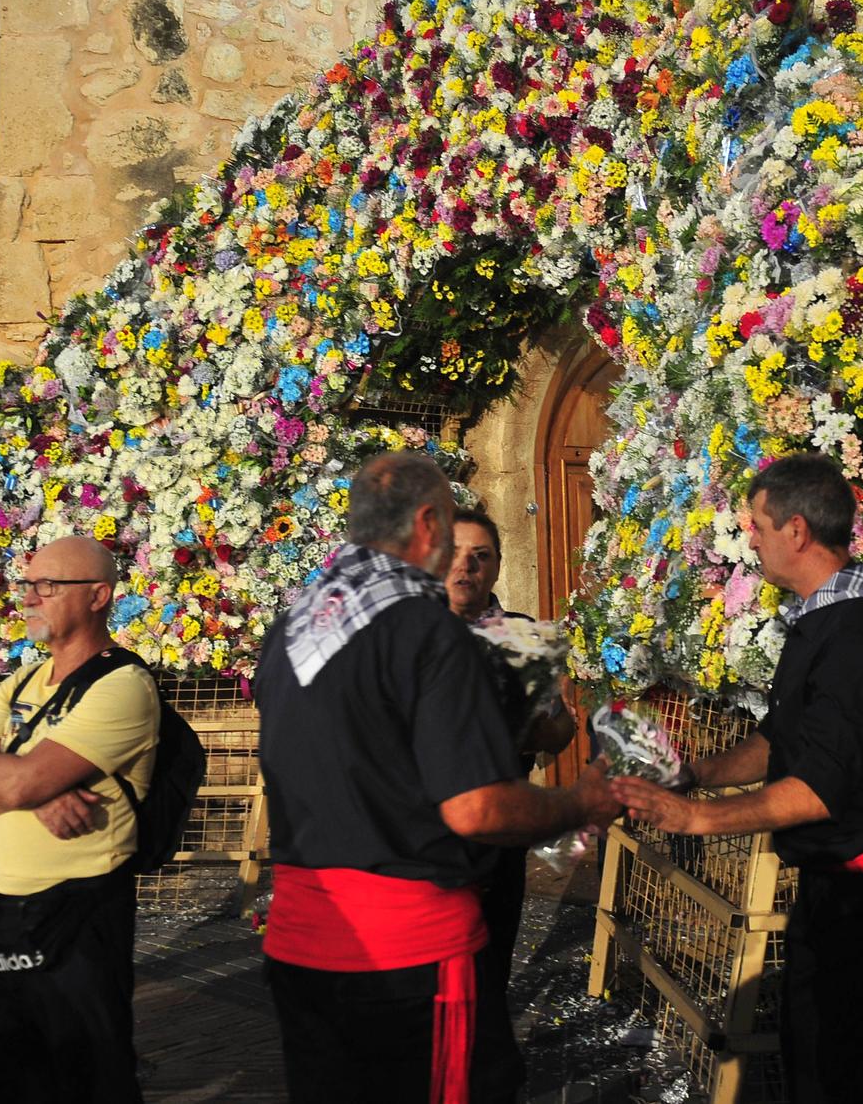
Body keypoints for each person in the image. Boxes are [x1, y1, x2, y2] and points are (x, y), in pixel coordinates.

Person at [254, 451, 622, 1104]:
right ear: (428, 522)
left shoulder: (297, 621)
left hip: (303, 933)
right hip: (407, 950)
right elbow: (475, 809)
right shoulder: (427, 629)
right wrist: (581, 800)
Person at [612, 453, 863, 1104]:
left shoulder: (855, 635)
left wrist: (699, 818)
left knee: (853, 1068)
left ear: (797, 530)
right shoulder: (822, 617)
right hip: (839, 874)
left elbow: (818, 785)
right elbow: (785, 739)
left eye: (757, 525)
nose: (751, 540)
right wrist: (696, 775)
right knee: (812, 1048)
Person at [0, 535, 158, 1104]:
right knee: (15, 1077)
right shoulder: (20, 681)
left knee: (89, 1077)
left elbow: (3, 779)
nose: (30, 597)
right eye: (28, 584)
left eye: (49, 585)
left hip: (77, 913)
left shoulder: (122, 686)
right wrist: (30, 793)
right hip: (0, 914)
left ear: (98, 596)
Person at [444, 507, 577, 1004]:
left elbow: (559, 731)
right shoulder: (406, 635)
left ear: (498, 566)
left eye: (480, 557)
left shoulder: (524, 635)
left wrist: (543, 726)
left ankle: (484, 1062)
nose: (466, 568)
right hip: (421, 830)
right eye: (454, 555)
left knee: (488, 960)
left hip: (499, 828)